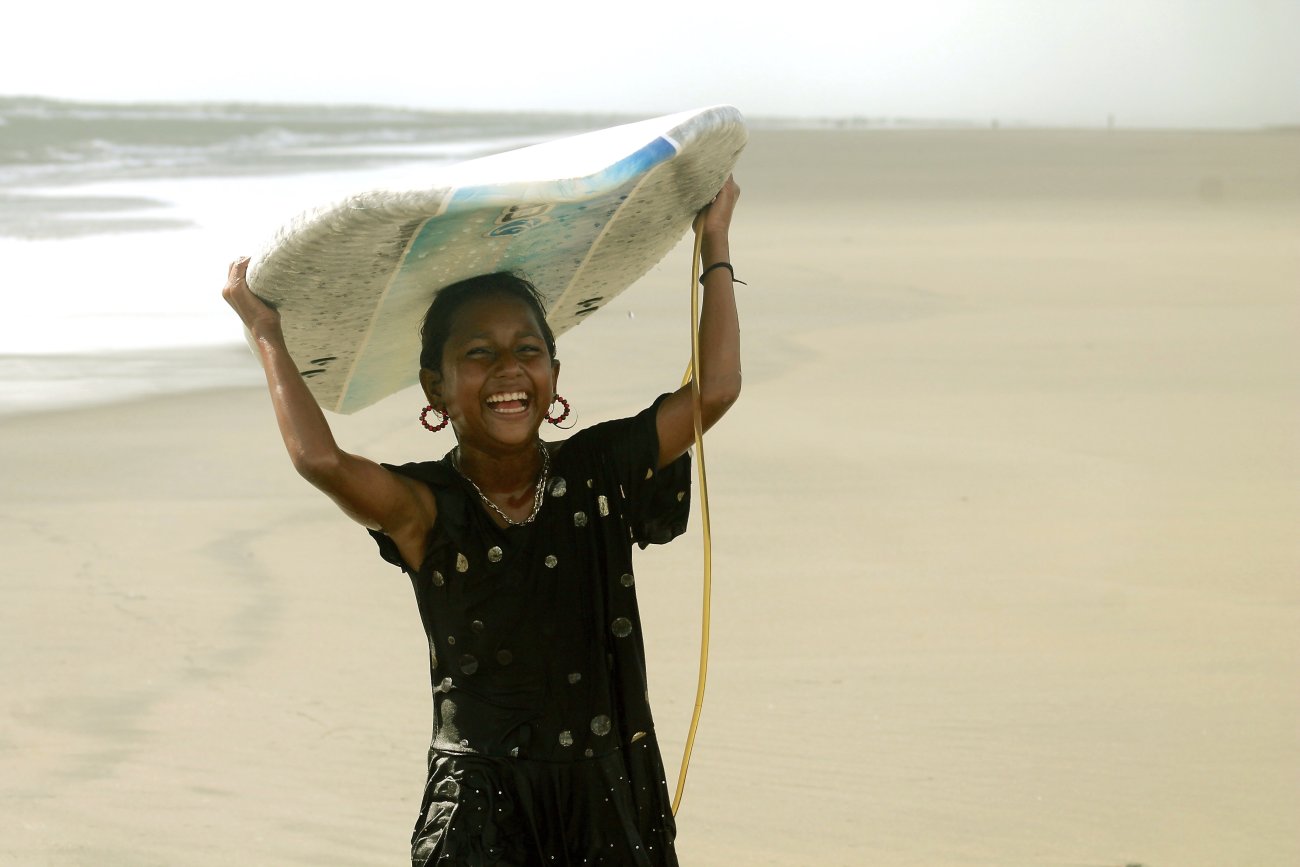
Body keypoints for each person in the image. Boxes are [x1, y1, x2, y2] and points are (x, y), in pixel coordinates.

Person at [222, 176, 741, 866]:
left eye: (528, 350)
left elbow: (716, 388)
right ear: (435, 386)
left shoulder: (599, 468)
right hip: (479, 799)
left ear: (554, 370)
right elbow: (320, 459)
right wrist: (266, 332)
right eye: (478, 354)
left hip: (607, 787)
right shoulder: (427, 509)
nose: (508, 371)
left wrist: (714, 244)